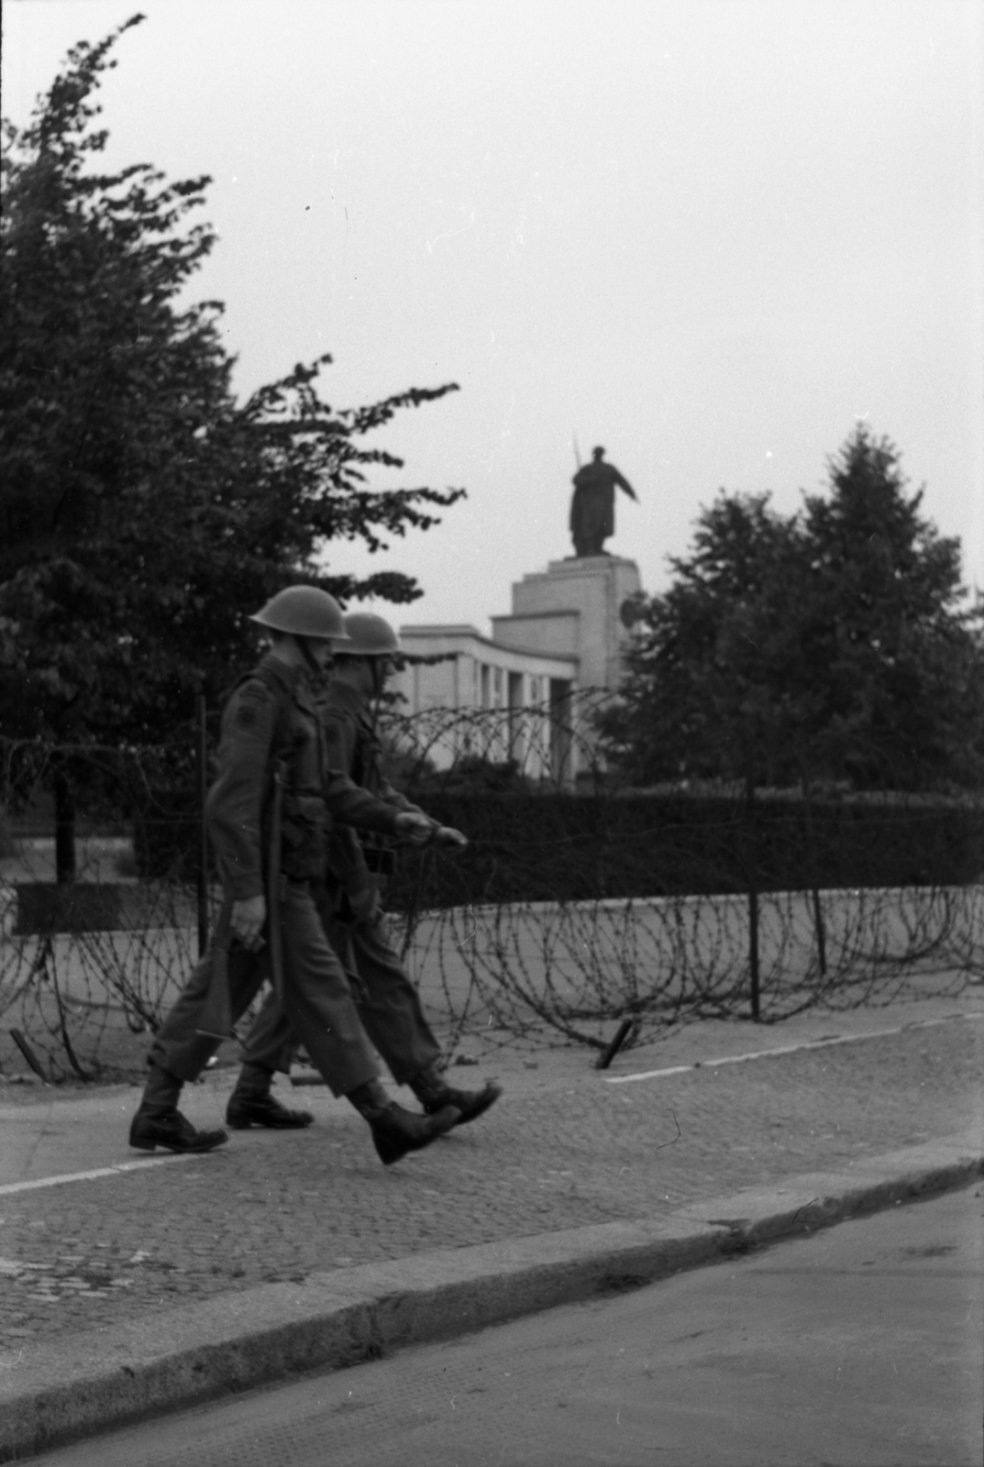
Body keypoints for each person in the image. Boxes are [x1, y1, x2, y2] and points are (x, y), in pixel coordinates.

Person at [128, 586, 461, 1166]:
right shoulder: (260, 701)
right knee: (325, 994)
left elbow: (328, 790)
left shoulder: (297, 701)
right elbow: (228, 807)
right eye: (326, 644)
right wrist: (250, 895)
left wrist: (395, 818)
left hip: (285, 884)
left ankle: (157, 1108)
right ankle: (385, 1118)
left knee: (217, 997)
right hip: (273, 889)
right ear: (302, 640)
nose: (333, 655)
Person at [227, 611, 503, 1130]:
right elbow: (331, 797)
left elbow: (372, 788)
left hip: (335, 873)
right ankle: (431, 1090)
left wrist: (420, 822)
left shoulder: (346, 713)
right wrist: (391, 829)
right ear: (365, 664)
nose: (390, 674)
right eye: (386, 663)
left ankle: (251, 1090)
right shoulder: (335, 716)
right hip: (331, 874)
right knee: (370, 981)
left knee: (313, 987)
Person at [569, 445, 638, 557]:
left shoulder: (609, 469)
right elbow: (576, 480)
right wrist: (589, 479)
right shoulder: (587, 468)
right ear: (594, 454)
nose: (598, 455)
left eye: (600, 453)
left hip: (606, 502)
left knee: (603, 524)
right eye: (597, 453)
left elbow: (621, 481)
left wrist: (631, 492)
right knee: (591, 524)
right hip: (590, 503)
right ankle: (590, 548)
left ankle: (598, 548)